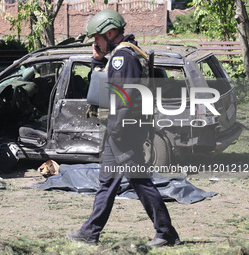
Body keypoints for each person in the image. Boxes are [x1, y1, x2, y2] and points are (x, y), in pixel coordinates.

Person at [66, 9, 180, 247]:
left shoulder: (123, 58)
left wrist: (117, 131)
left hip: (123, 131)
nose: (95, 43)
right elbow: (104, 86)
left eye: (97, 38)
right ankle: (90, 232)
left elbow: (124, 98)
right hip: (120, 130)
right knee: (108, 181)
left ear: (109, 33)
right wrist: (97, 60)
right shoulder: (121, 54)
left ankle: (166, 233)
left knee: (139, 181)